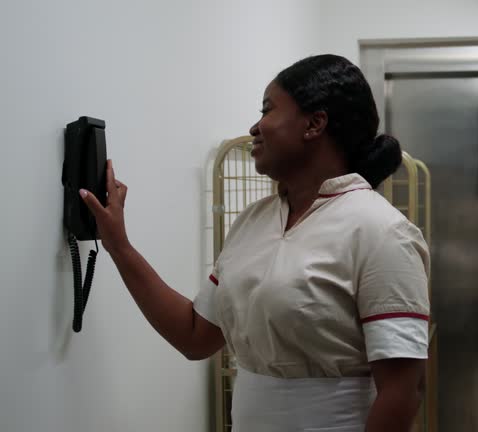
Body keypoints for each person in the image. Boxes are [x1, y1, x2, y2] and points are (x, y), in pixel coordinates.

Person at [80, 54, 430, 432]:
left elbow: (401, 392)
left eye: (267, 109)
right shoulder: (253, 221)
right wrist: (119, 245)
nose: (254, 126)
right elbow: (195, 336)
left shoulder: (381, 230)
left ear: (315, 124)